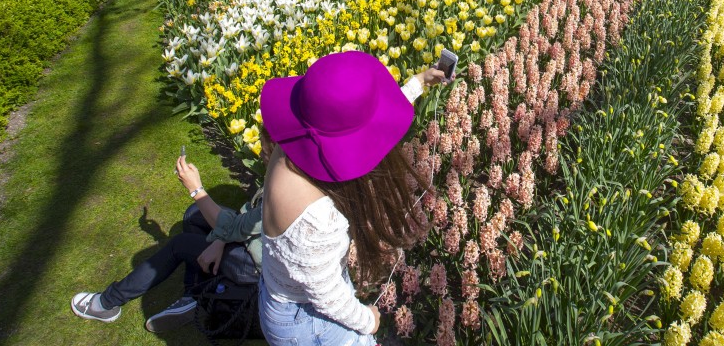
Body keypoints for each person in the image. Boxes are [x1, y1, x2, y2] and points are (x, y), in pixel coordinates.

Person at [257, 51, 448, 344]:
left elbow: (355, 119)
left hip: (282, 295)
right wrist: (367, 320)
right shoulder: (317, 219)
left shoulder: (291, 149)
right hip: (310, 323)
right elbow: (327, 297)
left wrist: (419, 82)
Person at [71, 154, 262, 332]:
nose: (260, 152)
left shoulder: (286, 189)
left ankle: (105, 303)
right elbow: (250, 214)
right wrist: (223, 237)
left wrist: (196, 189)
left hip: (258, 268)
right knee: (194, 214)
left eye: (265, 147)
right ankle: (194, 294)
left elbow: (245, 225)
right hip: (255, 237)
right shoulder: (286, 168)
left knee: (180, 245)